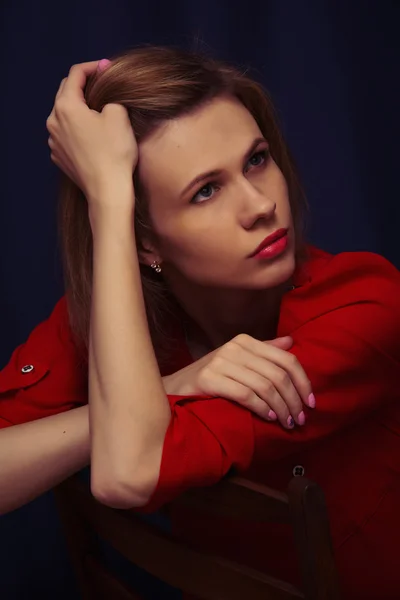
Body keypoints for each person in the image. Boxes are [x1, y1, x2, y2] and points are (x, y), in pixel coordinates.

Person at [0, 47, 399, 599]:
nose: (260, 205)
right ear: (144, 241)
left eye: (257, 159)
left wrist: (141, 409)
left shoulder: (364, 304)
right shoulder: (118, 321)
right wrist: (163, 390)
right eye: (206, 191)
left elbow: (128, 471)